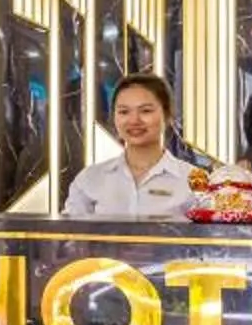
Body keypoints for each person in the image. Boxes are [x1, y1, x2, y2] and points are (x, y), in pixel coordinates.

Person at [64, 74, 204, 219]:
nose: (134, 120)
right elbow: (69, 236)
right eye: (124, 112)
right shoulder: (90, 179)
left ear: (167, 115)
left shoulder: (194, 182)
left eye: (146, 111)